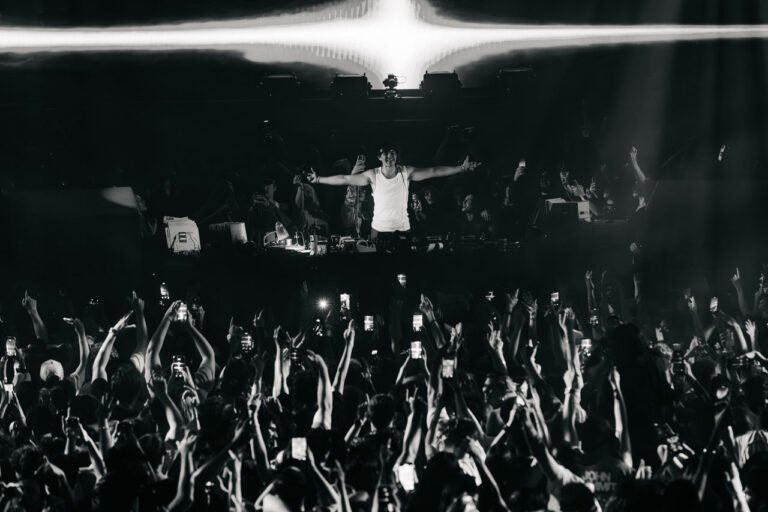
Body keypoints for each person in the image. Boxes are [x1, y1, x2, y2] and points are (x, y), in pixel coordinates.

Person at [306, 143, 481, 241]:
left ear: (396, 156)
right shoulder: (373, 175)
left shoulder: (406, 172)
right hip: (378, 231)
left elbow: (434, 171)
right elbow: (345, 179)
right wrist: (318, 179)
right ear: (379, 157)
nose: (389, 156)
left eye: (392, 153)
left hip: (402, 230)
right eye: (385, 154)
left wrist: (461, 168)